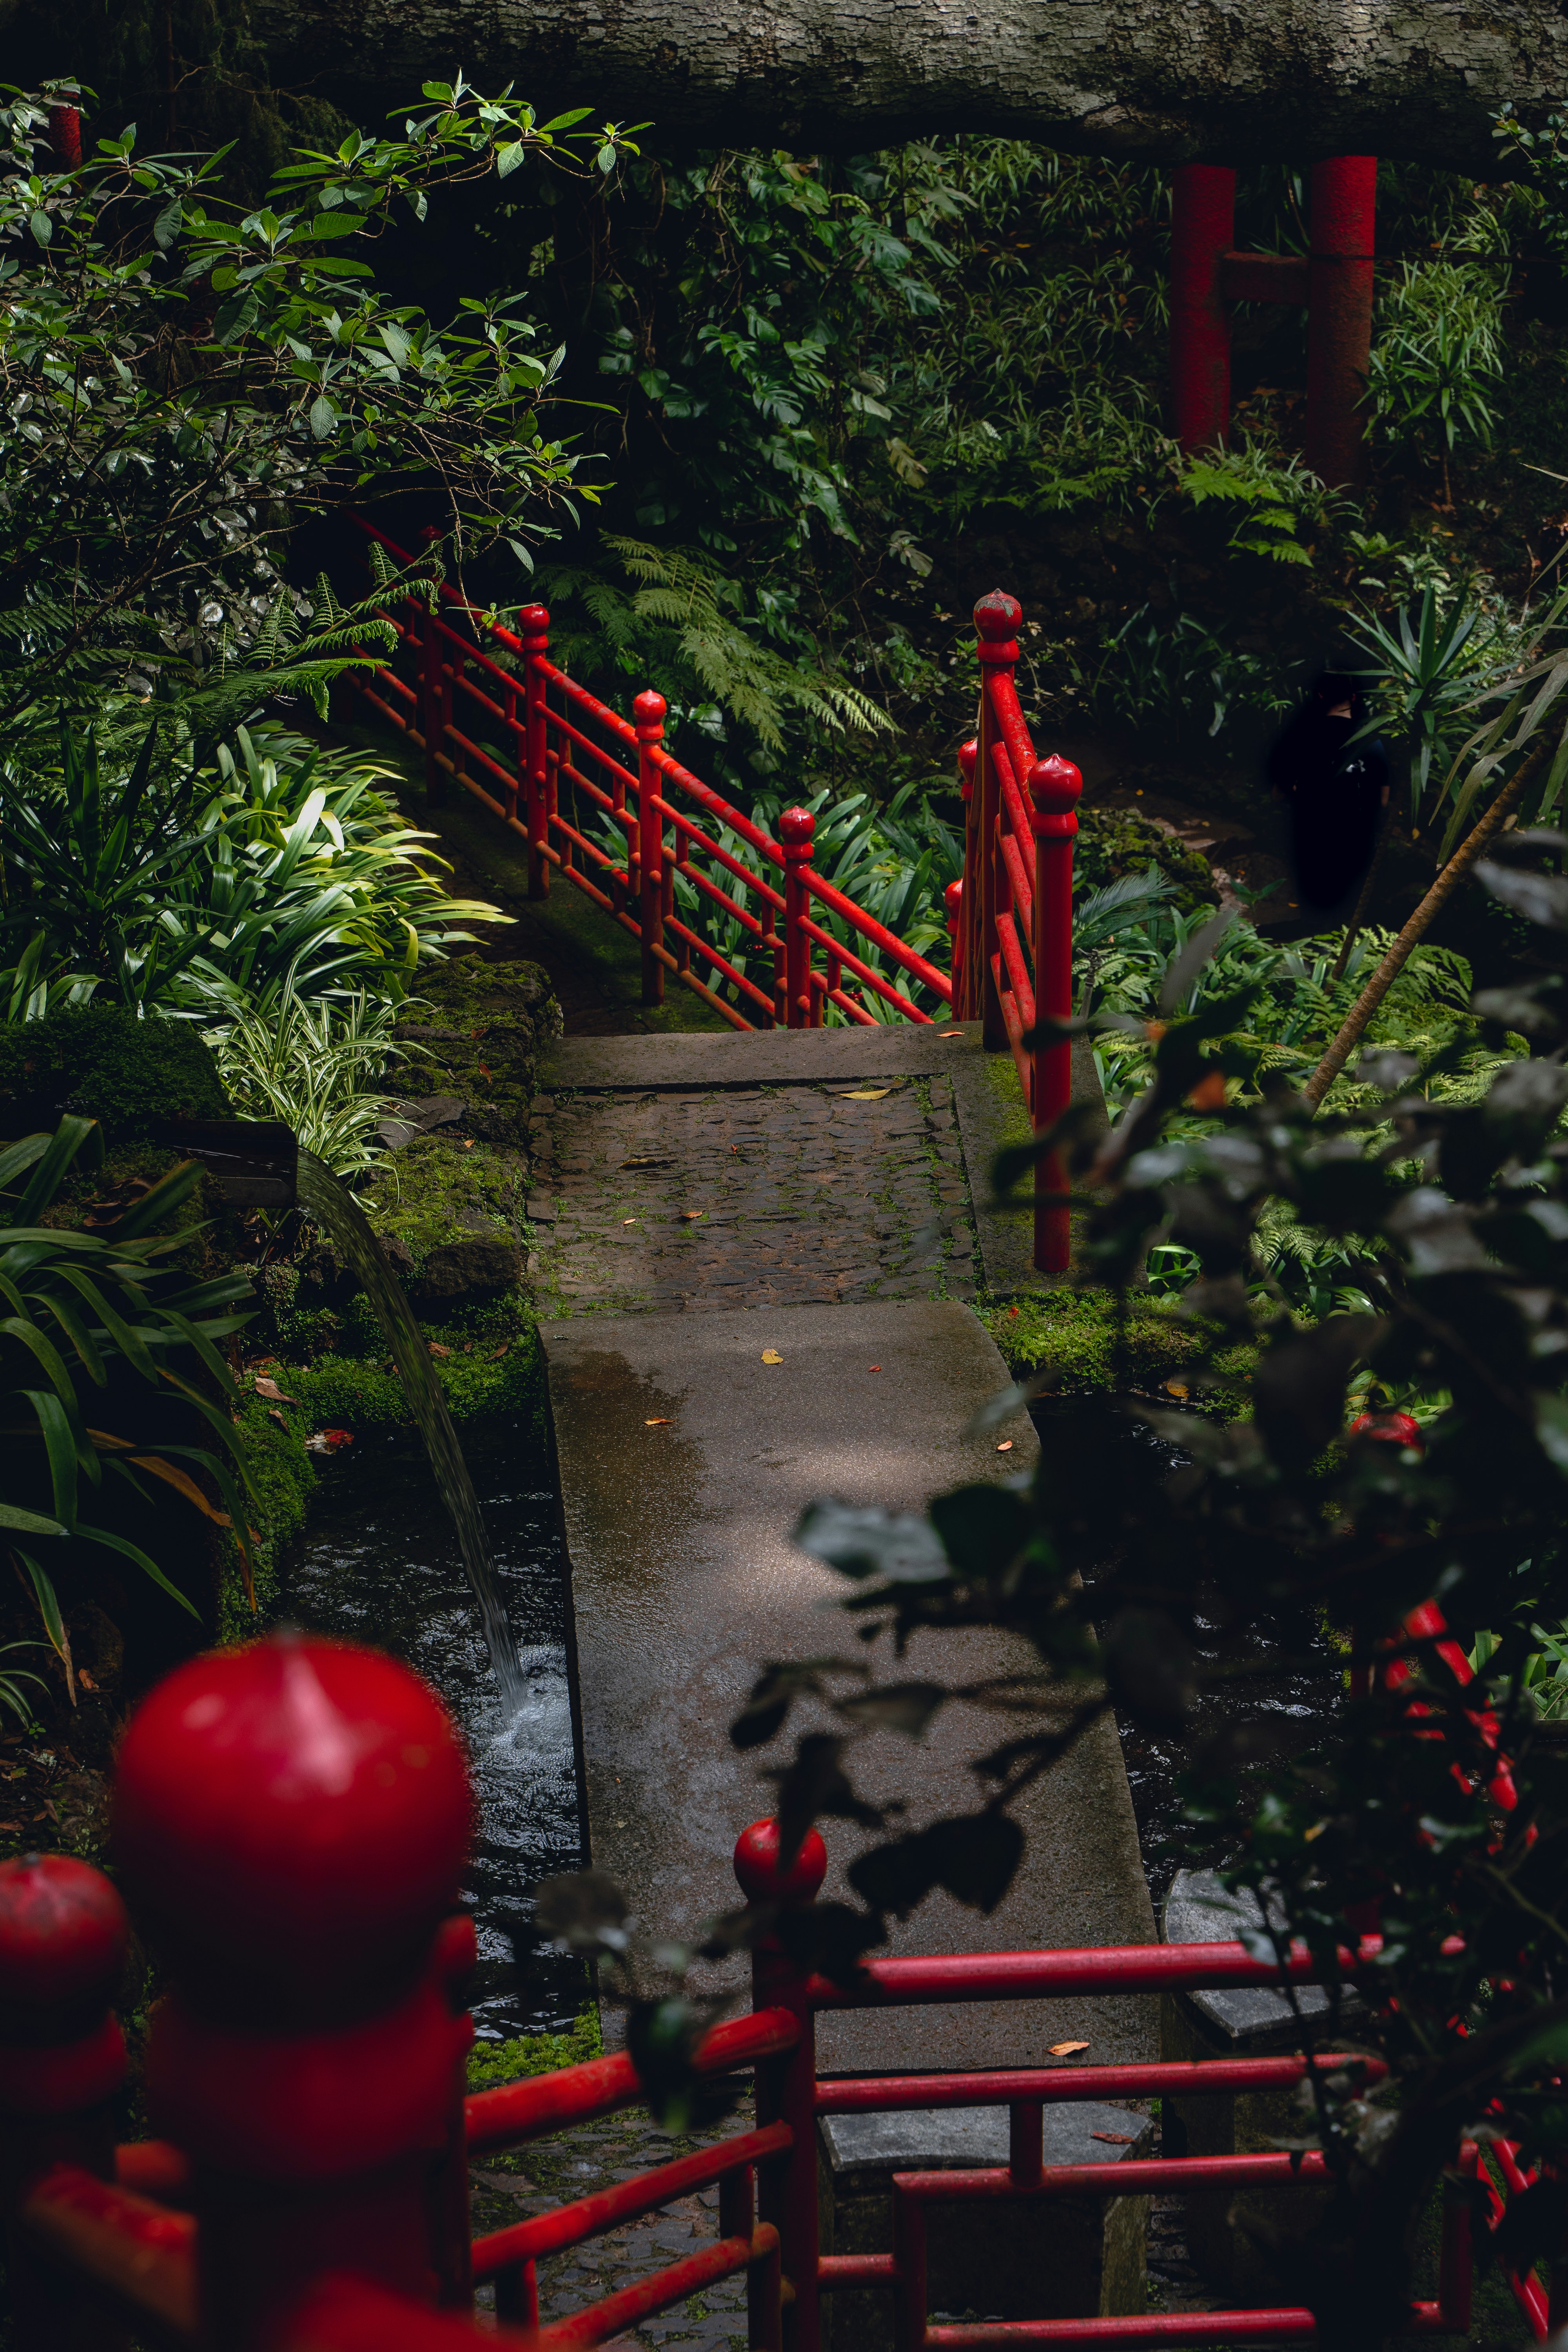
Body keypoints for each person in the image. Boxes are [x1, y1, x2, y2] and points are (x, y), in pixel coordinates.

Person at [1267, 673, 1389, 916]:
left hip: (1311, 830)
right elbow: (1383, 799)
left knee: (1313, 896)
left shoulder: (1303, 737)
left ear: (1321, 697)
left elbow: (1278, 791)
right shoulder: (1371, 742)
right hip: (1357, 836)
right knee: (1348, 901)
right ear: (1353, 698)